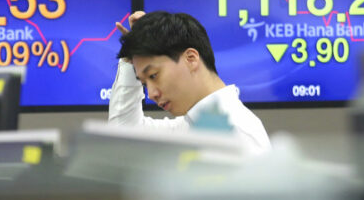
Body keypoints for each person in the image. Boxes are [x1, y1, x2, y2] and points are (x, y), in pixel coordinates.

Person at [109, 10, 271, 156]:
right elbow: (124, 134)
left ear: (191, 59)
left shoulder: (237, 134)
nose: (151, 94)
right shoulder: (199, 123)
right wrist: (130, 60)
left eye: (153, 76)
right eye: (144, 84)